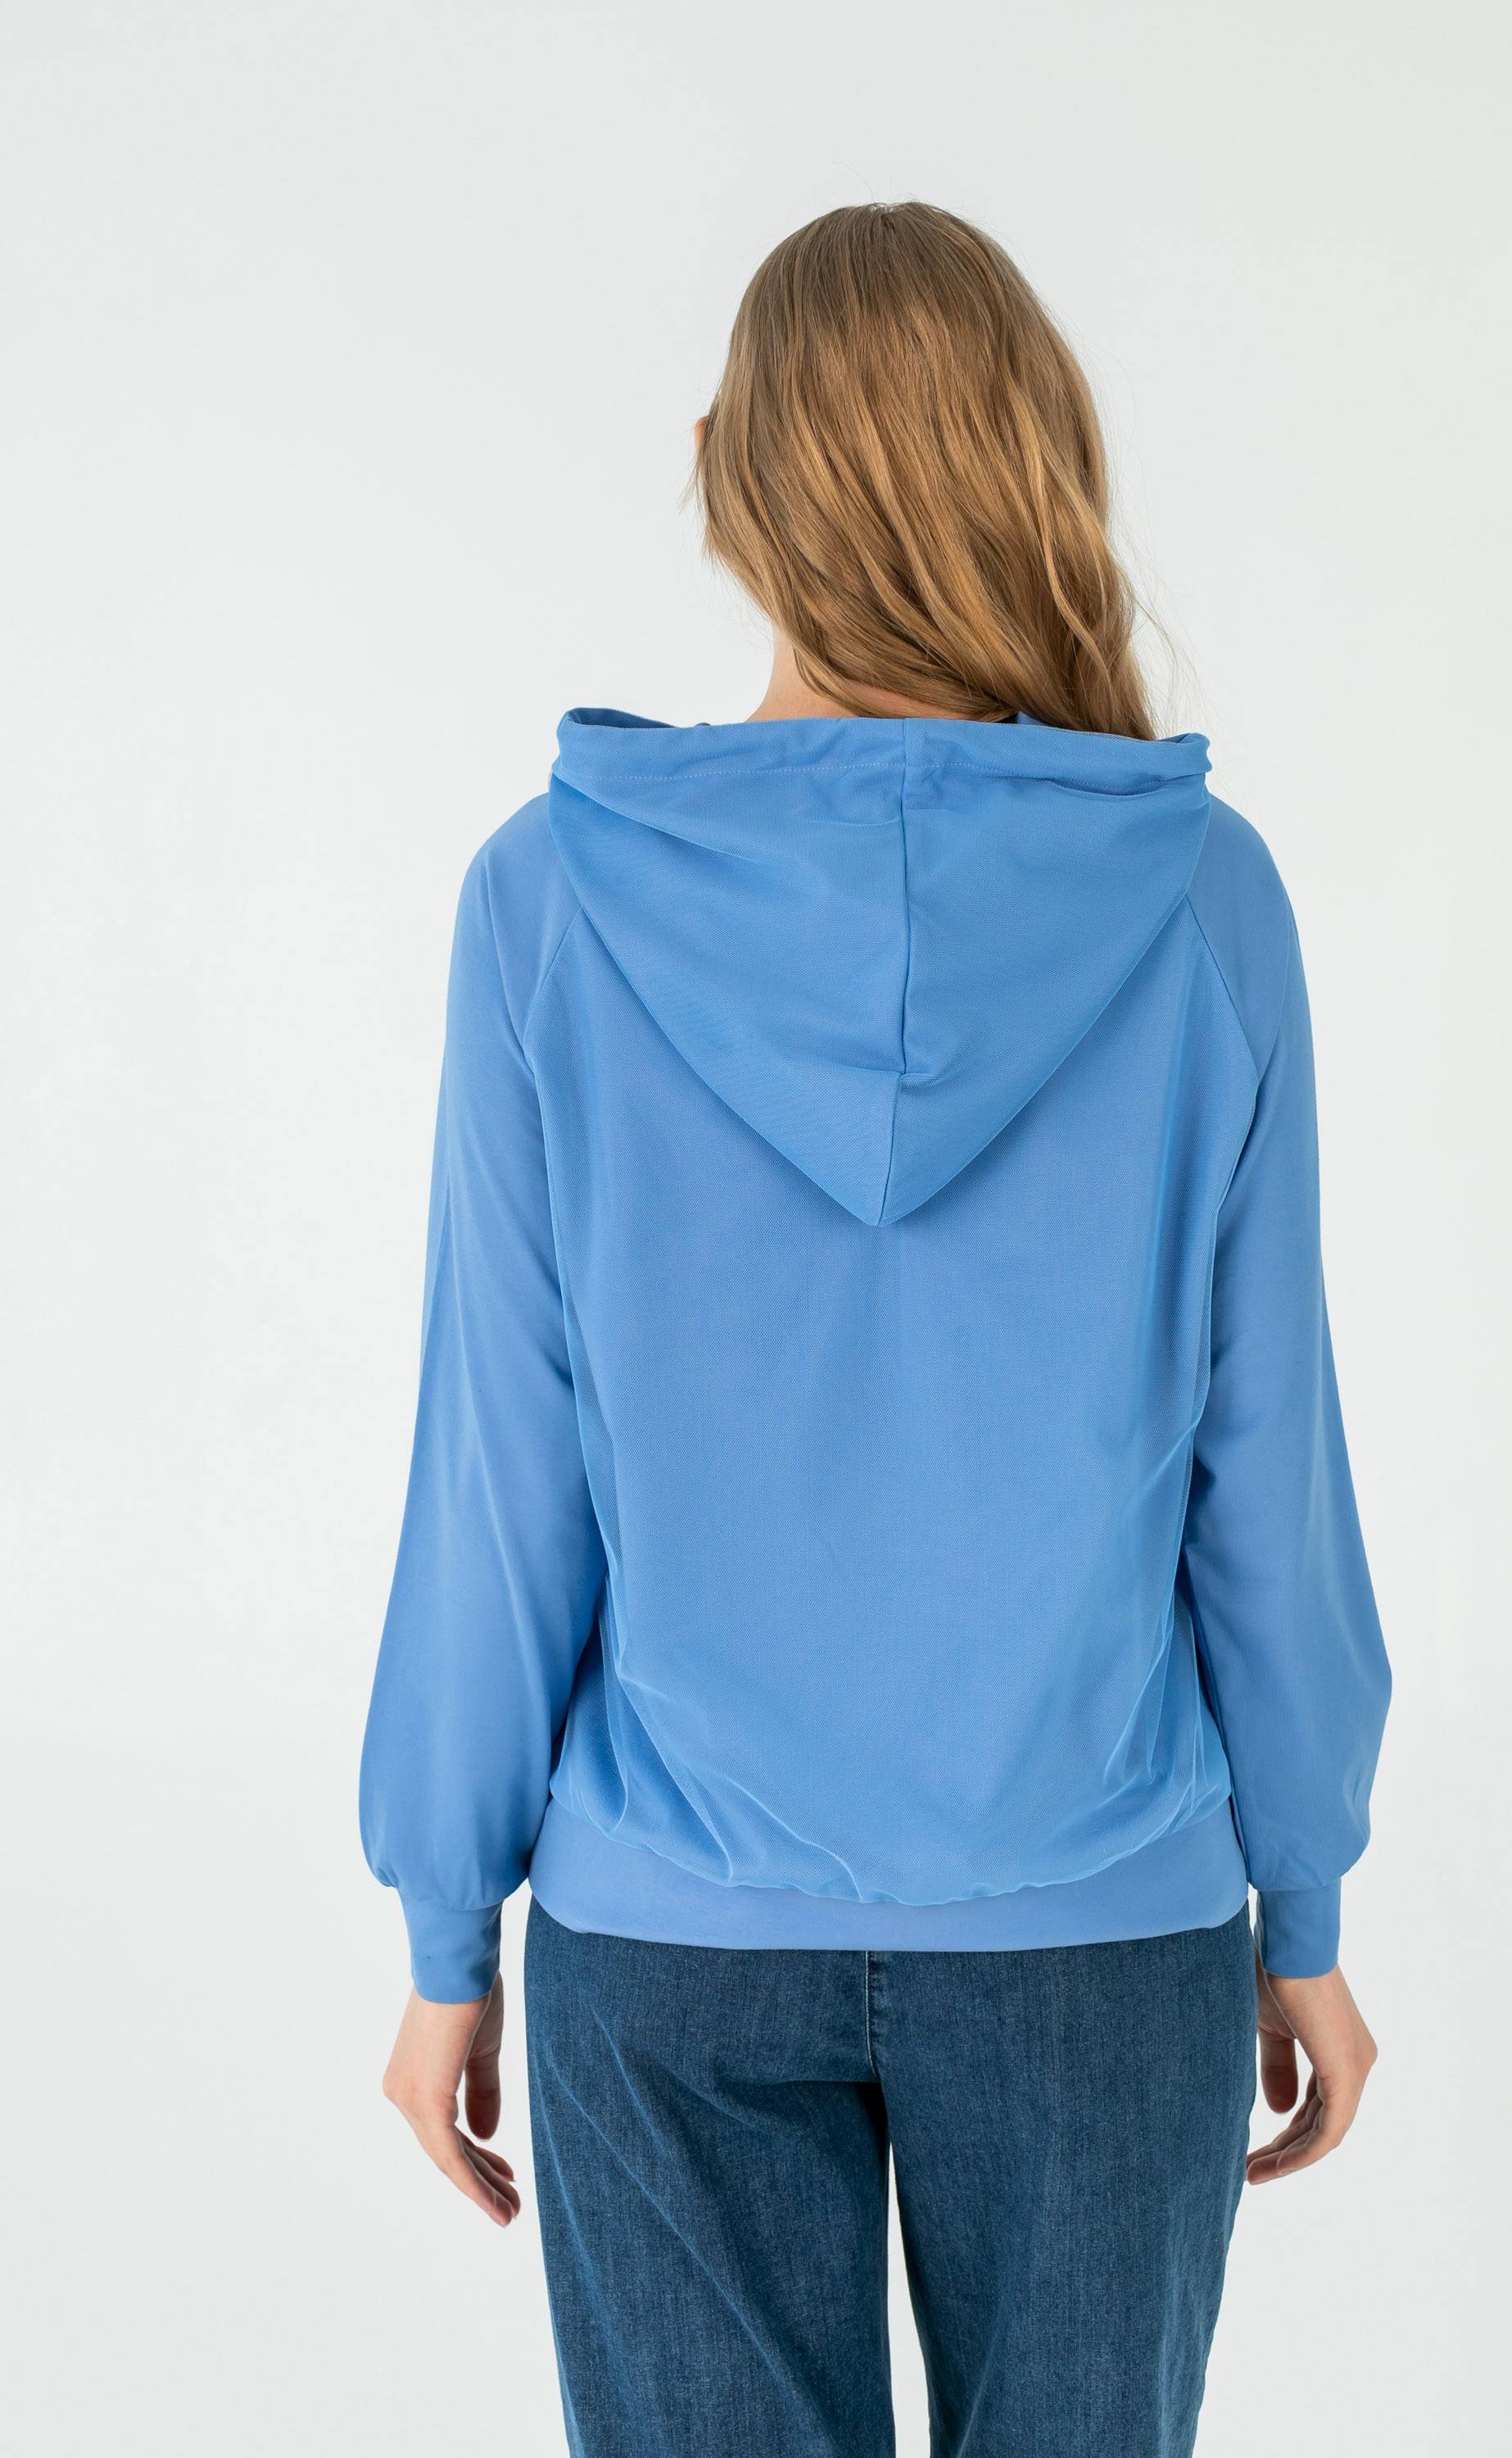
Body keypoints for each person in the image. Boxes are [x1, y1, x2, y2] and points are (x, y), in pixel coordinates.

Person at [360, 201, 1391, 2458]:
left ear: (726, 470)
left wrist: (452, 1926)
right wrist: (1300, 1895)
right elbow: (1269, 1463)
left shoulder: (548, 901)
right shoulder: (1200, 898)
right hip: (1104, 1921)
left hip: (671, 1930)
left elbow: (503, 1470)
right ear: (1035, 466)